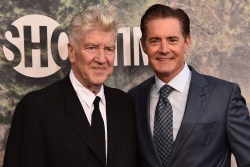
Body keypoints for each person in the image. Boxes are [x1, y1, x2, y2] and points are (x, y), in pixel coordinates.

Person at [3, 5, 137, 167]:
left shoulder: (124, 104)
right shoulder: (35, 109)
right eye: (92, 48)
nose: (102, 58)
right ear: (72, 52)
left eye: (109, 49)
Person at [128, 4, 250, 167]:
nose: (164, 49)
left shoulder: (225, 96)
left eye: (172, 40)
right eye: (155, 41)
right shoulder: (133, 98)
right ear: (144, 45)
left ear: (186, 42)